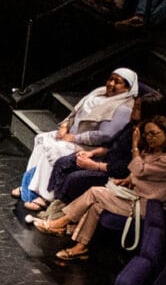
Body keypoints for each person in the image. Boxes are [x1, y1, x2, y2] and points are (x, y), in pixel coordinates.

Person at [37, 115, 166, 262]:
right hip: (136, 194)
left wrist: (135, 146)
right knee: (96, 205)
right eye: (146, 134)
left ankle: (61, 223)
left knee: (95, 192)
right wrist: (127, 180)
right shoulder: (156, 148)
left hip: (148, 206)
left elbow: (140, 169)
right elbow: (145, 173)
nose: (149, 137)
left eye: (153, 133)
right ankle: (80, 248)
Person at [15, 69, 138, 209]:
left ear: (128, 88)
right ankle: (28, 187)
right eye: (111, 79)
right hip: (71, 135)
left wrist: (74, 138)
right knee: (42, 139)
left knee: (53, 149)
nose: (111, 84)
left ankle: (45, 196)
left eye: (118, 82)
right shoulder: (99, 93)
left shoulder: (123, 108)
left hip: (88, 145)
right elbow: (75, 112)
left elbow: (105, 135)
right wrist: (65, 125)